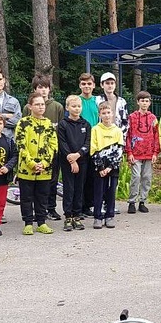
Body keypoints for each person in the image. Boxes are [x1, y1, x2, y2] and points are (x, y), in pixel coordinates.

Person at [15, 92, 58, 235]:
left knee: (42, 196)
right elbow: (20, 144)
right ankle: (28, 222)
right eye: (37, 104)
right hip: (27, 168)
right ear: (30, 106)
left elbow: (53, 145)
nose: (40, 107)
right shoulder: (23, 123)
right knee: (26, 196)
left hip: (44, 170)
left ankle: (41, 222)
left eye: (42, 104)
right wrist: (31, 162)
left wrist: (45, 163)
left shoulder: (48, 124)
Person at [22, 75, 64, 221]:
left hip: (51, 152)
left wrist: (56, 150)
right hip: (32, 151)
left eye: (45, 87)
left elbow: (60, 129)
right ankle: (34, 210)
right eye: (40, 87)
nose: (43, 90)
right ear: (35, 89)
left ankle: (50, 208)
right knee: (32, 183)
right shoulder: (27, 108)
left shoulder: (57, 107)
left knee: (51, 181)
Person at [58, 95, 91, 231]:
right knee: (69, 188)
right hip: (67, 162)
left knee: (79, 188)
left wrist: (78, 155)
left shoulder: (86, 124)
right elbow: (63, 143)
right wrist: (71, 159)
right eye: (73, 106)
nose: (77, 109)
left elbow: (87, 143)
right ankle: (68, 216)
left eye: (78, 106)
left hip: (82, 161)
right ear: (67, 108)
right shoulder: (63, 125)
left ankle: (77, 215)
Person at [90, 101, 123, 230]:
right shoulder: (95, 130)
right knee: (99, 192)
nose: (106, 115)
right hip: (99, 168)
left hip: (112, 168)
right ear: (99, 114)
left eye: (108, 113)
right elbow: (93, 149)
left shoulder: (117, 131)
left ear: (113, 114)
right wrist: (101, 168)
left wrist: (110, 167)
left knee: (111, 192)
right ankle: (98, 217)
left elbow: (119, 150)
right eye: (103, 113)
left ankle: (110, 215)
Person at [125, 90, 160, 214]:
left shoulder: (153, 118)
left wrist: (155, 152)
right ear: (138, 102)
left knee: (147, 177)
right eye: (142, 101)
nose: (144, 103)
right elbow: (128, 135)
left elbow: (157, 135)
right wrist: (129, 152)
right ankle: (131, 201)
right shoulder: (132, 117)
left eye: (146, 101)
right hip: (136, 153)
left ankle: (143, 201)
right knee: (136, 177)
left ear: (149, 103)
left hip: (149, 153)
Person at [77, 73, 99, 217]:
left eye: (89, 84)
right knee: (81, 178)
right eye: (84, 84)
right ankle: (79, 206)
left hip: (95, 143)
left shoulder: (97, 101)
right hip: (80, 142)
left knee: (92, 177)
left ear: (94, 85)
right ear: (80, 85)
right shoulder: (76, 100)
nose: (86, 86)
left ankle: (88, 206)